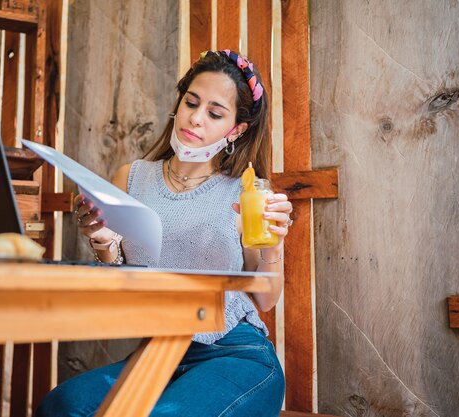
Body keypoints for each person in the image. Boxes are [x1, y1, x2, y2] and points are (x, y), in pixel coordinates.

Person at [36, 50, 292, 417]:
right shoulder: (131, 178)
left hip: (236, 355)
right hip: (157, 355)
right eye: (191, 102)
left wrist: (274, 241)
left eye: (215, 113)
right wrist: (105, 242)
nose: (195, 118)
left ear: (236, 129)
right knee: (62, 405)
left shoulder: (246, 194)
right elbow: (118, 291)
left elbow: (266, 300)